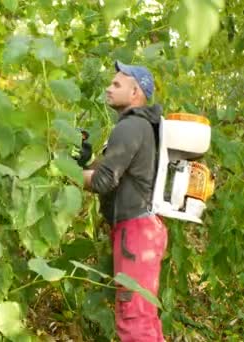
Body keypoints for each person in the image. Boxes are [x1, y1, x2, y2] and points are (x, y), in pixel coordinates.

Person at [83, 61, 167, 342]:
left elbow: (103, 181)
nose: (109, 87)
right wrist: (81, 162)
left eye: (116, 84)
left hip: (135, 234)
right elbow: (111, 170)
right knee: (144, 316)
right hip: (142, 230)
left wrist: (66, 173)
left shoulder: (131, 126)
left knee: (133, 319)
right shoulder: (141, 126)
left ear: (135, 93)